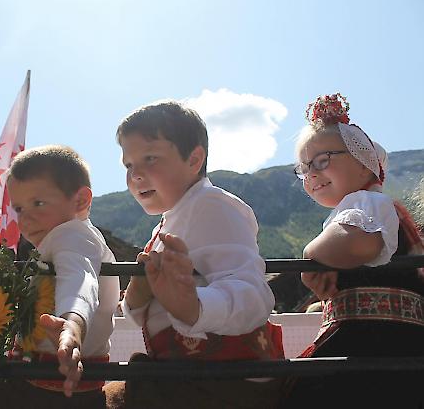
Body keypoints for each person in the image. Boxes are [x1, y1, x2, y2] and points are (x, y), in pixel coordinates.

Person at [103, 100, 284, 409]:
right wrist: (139, 294)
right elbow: (144, 314)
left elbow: (254, 296)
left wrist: (193, 306)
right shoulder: (166, 226)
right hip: (187, 379)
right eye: (129, 165)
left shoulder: (213, 206)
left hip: (226, 384)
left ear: (193, 158)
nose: (136, 174)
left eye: (150, 158)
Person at [281, 93, 424, 408]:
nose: (312, 174)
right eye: (304, 168)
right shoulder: (366, 205)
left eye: (322, 160)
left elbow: (354, 242)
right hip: (388, 341)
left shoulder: (367, 202)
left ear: (364, 166)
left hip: (373, 344)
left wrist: (311, 255)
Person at [0, 145, 121, 409]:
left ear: (80, 201)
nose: (25, 219)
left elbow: (80, 280)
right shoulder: (61, 241)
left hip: (55, 392)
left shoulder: (72, 235)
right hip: (54, 385)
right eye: (19, 208)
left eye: (38, 203)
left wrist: (71, 325)